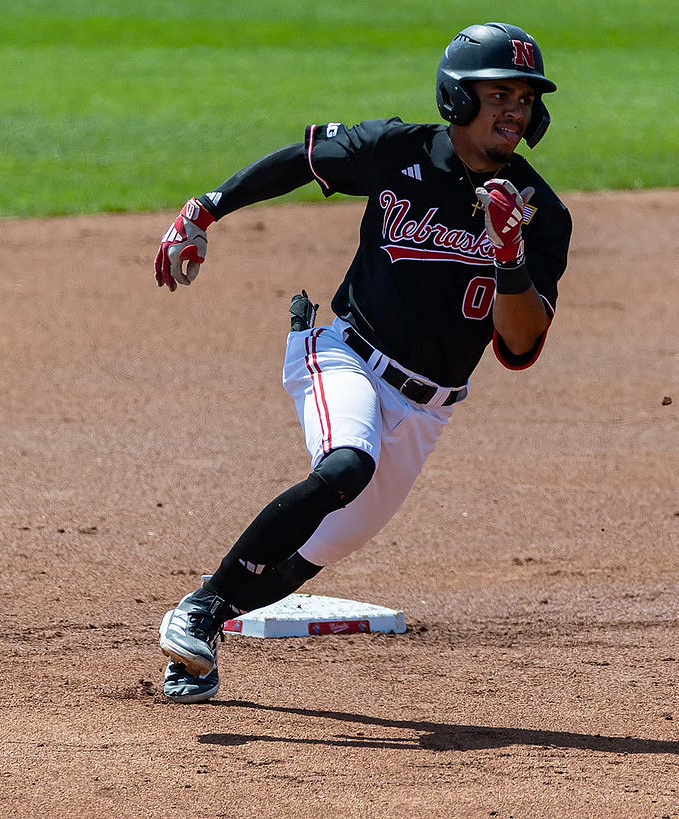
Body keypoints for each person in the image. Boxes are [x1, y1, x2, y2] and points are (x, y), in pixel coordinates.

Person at [150, 21, 572, 703]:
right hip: (346, 356)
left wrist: (509, 258)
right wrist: (207, 209)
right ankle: (198, 615)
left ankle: (199, 630)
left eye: (525, 100)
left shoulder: (540, 213)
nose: (515, 113)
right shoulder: (396, 151)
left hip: (430, 410)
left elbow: (520, 347)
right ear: (458, 98)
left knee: (313, 554)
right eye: (499, 95)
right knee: (348, 464)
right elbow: (302, 160)